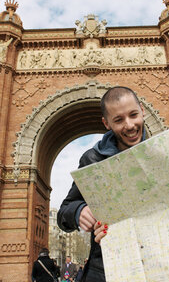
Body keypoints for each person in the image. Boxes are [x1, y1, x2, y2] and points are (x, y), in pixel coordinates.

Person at [58, 86, 147, 281]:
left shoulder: (162, 152)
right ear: (106, 123)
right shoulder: (92, 159)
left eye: (133, 114)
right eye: (118, 120)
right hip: (105, 268)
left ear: (142, 110)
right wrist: (79, 211)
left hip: (157, 262)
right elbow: (63, 212)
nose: (130, 125)